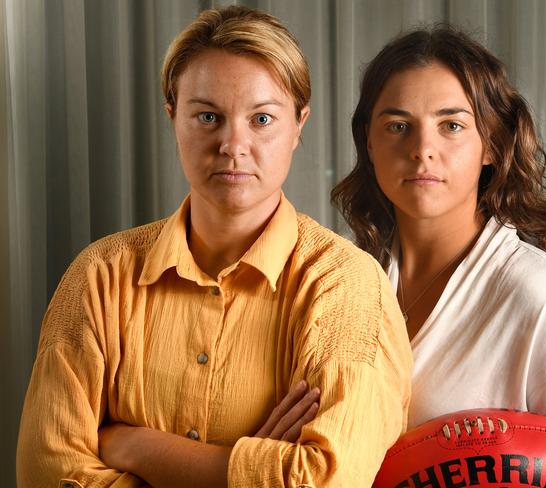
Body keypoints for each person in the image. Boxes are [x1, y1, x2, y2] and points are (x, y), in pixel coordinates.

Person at [16, 6, 412, 487]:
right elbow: (45, 475)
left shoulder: (345, 285)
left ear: (299, 124)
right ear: (172, 117)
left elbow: (324, 480)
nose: (232, 144)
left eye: (262, 118)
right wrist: (250, 468)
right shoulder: (99, 276)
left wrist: (138, 447)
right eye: (207, 116)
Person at [332, 25, 546, 487]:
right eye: (398, 127)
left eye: (451, 125)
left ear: (492, 145)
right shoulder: (348, 295)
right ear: (369, 145)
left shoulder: (544, 302)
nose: (422, 151)